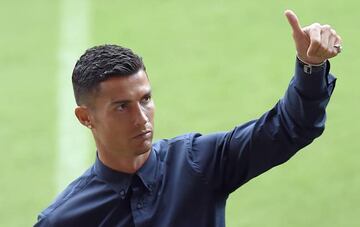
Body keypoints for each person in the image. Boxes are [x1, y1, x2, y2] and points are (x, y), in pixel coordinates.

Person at [34, 10, 342, 227]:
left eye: (146, 99)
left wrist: (310, 66)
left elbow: (289, 128)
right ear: (85, 117)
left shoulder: (199, 162)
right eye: (121, 107)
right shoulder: (61, 220)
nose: (143, 119)